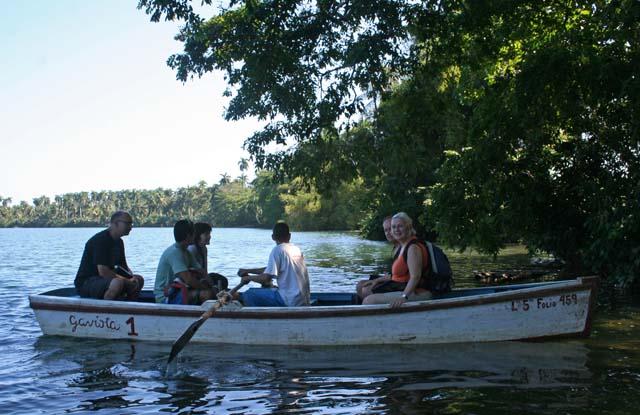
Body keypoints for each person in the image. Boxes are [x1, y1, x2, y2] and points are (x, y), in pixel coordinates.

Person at [363, 212, 433, 308]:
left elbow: (415, 277)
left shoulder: (413, 248)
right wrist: (378, 280)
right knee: (365, 288)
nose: (396, 230)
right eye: (394, 227)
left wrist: (404, 297)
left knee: (369, 301)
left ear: (408, 227)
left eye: (400, 226)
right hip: (401, 287)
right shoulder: (403, 245)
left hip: (418, 292)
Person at [74, 210, 144, 300]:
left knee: (139, 279)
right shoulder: (100, 240)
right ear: (115, 224)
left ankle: (130, 307)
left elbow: (124, 267)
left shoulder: (119, 242)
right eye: (127, 224)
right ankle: (105, 310)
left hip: (105, 280)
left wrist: (132, 278)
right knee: (117, 283)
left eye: (131, 224)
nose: (130, 227)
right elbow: (104, 272)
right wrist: (127, 281)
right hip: (86, 283)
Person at [236, 222, 310, 307]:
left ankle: (261, 319)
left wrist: (247, 278)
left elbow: (266, 279)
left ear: (273, 237)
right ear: (289, 236)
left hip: (289, 300)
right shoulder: (296, 249)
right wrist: (248, 271)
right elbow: (271, 270)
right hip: (302, 300)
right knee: (267, 289)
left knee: (249, 294)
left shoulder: (278, 250)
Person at [154, 219, 216, 305]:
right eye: (194, 233)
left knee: (212, 289)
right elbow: (188, 279)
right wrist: (207, 289)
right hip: (166, 296)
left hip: (178, 290)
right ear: (188, 236)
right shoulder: (175, 253)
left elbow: (201, 271)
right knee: (206, 294)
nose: (195, 236)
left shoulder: (187, 253)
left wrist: (212, 285)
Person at [355, 216, 399, 301]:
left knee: (366, 289)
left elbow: (403, 276)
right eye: (386, 230)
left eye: (390, 229)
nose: (388, 233)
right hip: (392, 279)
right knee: (360, 285)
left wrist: (379, 280)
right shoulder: (395, 248)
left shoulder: (406, 247)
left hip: (399, 283)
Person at [187, 222, 229, 291]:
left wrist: (210, 282)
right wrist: (210, 284)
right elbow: (188, 272)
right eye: (206, 234)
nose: (209, 236)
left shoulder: (204, 249)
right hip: (193, 279)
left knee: (223, 281)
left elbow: (205, 270)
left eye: (209, 234)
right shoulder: (192, 249)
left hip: (202, 276)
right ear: (198, 236)